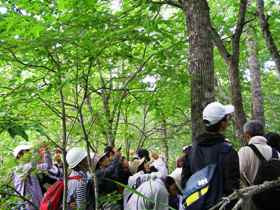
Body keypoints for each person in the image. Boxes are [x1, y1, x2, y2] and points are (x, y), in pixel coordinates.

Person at [181, 101, 240, 210]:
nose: (228, 120)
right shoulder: (228, 151)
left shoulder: (190, 151)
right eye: (226, 118)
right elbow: (232, 188)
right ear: (222, 124)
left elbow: (185, 184)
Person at [12, 144, 52, 210]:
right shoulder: (18, 170)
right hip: (27, 206)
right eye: (27, 151)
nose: (29, 152)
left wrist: (46, 152)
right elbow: (31, 165)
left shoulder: (32, 168)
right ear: (19, 155)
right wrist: (39, 152)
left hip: (39, 204)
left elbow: (48, 165)